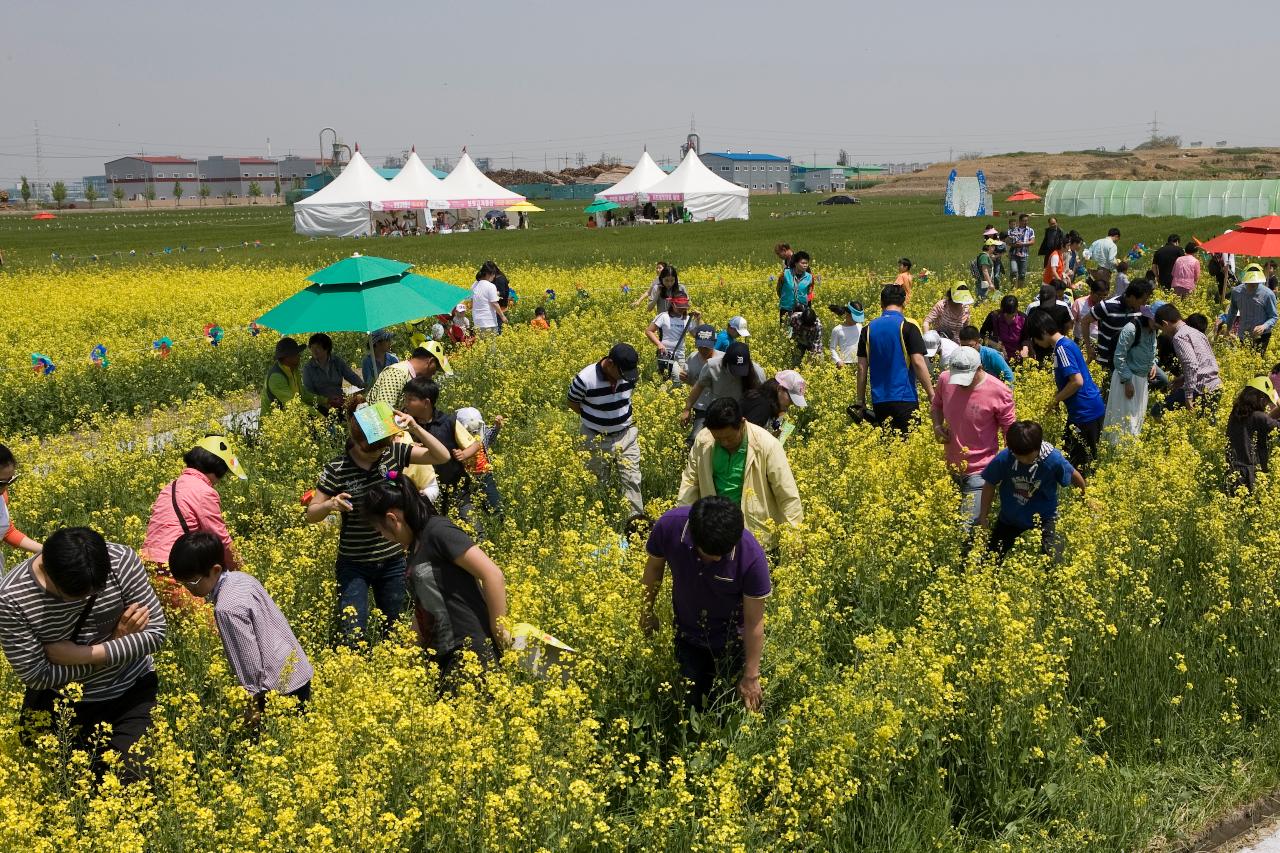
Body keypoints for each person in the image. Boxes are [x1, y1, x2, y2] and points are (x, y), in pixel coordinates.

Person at [0, 527, 166, 782]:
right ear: (48, 571)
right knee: (58, 784)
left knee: (132, 780)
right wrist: (118, 646)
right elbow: (38, 676)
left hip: (130, 690)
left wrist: (86, 654)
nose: (89, 598)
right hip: (62, 704)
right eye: (78, 596)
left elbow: (155, 633)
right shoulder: (12, 598)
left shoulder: (121, 560)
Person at [307, 398, 451, 640]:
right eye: (372, 449)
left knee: (394, 628)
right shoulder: (337, 468)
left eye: (381, 449)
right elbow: (311, 513)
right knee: (353, 631)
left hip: (393, 560)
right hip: (354, 563)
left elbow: (442, 456)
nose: (377, 455)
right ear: (357, 442)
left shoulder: (392, 453)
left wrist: (415, 427)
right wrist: (330, 504)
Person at [363, 474, 510, 677]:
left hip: (471, 651)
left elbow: (492, 574)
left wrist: (500, 630)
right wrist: (405, 654)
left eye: (381, 531)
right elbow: (424, 606)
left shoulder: (438, 531)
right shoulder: (414, 547)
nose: (384, 538)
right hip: (443, 657)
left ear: (392, 519)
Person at [640, 497, 770, 711]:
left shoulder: (752, 557)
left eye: (723, 554)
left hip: (731, 642)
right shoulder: (669, 526)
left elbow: (754, 620)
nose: (718, 560)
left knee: (727, 708)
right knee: (688, 703)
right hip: (686, 633)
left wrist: (751, 676)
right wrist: (646, 611)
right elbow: (654, 569)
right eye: (711, 556)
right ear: (693, 537)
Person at [168, 532, 312, 717]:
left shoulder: (226, 608)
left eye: (192, 582)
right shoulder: (242, 578)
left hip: (278, 689)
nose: (188, 588)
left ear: (216, 570)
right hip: (298, 670)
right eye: (183, 583)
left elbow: (248, 660)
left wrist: (252, 703)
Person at [679, 398, 803, 550]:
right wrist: (685, 523)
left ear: (742, 423)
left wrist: (794, 536)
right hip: (713, 530)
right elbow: (691, 482)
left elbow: (786, 493)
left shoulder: (767, 445)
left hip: (755, 533)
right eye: (718, 438)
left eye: (729, 438)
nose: (724, 443)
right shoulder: (704, 439)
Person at [141, 436, 246, 607]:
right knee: (213, 628)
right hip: (177, 571)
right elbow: (219, 539)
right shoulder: (204, 491)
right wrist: (243, 571)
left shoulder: (171, 486)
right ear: (218, 469)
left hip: (150, 568)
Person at [930, 346, 1016, 526]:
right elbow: (936, 405)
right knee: (950, 525)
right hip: (950, 467)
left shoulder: (999, 391)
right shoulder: (945, 379)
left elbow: (1010, 432)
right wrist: (937, 426)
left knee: (967, 529)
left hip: (981, 471)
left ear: (979, 368)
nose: (960, 383)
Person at [977, 421, 1085, 561]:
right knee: (991, 559)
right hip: (1011, 516)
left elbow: (1074, 476)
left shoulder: (1052, 459)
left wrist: (1085, 499)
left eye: (1028, 456)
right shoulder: (1006, 457)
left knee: (1053, 559)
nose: (1024, 460)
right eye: (1019, 456)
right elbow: (990, 483)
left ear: (1038, 447)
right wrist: (983, 516)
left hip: (1046, 516)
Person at [567, 344, 644, 517]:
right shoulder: (585, 379)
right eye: (621, 373)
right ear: (610, 364)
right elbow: (572, 402)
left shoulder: (628, 376)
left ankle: (636, 527)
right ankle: (599, 523)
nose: (625, 378)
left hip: (626, 436)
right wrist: (595, 419)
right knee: (597, 483)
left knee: (632, 481)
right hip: (595, 439)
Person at [1030, 311, 1106, 471]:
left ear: (1043, 332)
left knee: (1078, 463)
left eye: (1035, 337)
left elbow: (1077, 381)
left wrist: (1055, 400)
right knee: (1077, 457)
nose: (1035, 342)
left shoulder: (1062, 348)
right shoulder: (1067, 344)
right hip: (1088, 409)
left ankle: (1084, 493)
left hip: (1085, 412)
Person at [853, 284, 934, 434]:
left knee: (888, 448)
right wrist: (931, 395)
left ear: (881, 304)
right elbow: (917, 362)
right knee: (908, 449)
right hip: (905, 398)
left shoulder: (867, 329)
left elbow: (861, 368)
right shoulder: (908, 327)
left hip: (879, 400)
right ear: (904, 303)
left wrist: (860, 401)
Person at [399, 377, 474, 520]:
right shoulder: (401, 423)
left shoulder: (448, 422)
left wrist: (464, 454)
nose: (405, 403)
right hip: (423, 493)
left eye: (410, 400)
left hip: (456, 490)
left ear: (426, 402)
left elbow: (473, 444)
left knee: (473, 530)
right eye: (405, 399)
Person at [1102, 307, 1158, 443]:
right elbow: (1119, 356)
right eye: (1157, 321)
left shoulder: (1153, 330)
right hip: (1126, 379)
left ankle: (1130, 452)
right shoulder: (1131, 329)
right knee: (1122, 417)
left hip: (1141, 380)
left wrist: (1153, 363)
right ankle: (1115, 452)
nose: (1159, 326)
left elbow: (1152, 349)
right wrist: (1127, 381)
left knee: (1136, 417)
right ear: (1149, 318)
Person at [1155, 303, 1223, 411]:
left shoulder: (1179, 337)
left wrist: (1188, 395)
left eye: (1161, 329)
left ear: (1165, 323)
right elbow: (1205, 363)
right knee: (1203, 425)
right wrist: (1183, 379)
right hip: (1216, 386)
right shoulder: (1197, 333)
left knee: (1158, 410)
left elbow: (1191, 364)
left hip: (1200, 389)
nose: (1163, 332)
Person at [684, 341, 765, 425]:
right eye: (734, 369)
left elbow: (762, 399)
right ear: (726, 361)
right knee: (696, 437)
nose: (737, 374)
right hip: (717, 413)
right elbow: (699, 386)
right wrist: (687, 409)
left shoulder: (757, 372)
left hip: (744, 416)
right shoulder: (712, 366)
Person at [1225, 376, 1280, 492]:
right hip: (1251, 474)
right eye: (1266, 400)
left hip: (1232, 471)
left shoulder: (1235, 414)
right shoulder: (1258, 417)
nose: (1266, 405)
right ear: (1260, 398)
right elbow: (1275, 426)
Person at [366, 342, 453, 410]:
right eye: (437, 368)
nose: (435, 373)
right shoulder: (397, 373)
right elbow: (382, 412)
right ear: (430, 362)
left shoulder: (411, 377)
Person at [1091, 278, 1154, 371]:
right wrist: (1089, 349)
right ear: (1132, 297)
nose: (1144, 304)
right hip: (1107, 359)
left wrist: (1152, 363)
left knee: (1162, 379)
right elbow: (1085, 321)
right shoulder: (1107, 306)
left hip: (1130, 360)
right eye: (1143, 300)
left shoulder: (1142, 310)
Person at [454, 406, 504, 517]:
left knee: (495, 506)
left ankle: (499, 525)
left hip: (485, 475)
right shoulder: (456, 438)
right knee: (472, 509)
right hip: (466, 478)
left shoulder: (482, 432)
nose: (473, 433)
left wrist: (497, 427)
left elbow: (489, 437)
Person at [0, 444, 41, 573]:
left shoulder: (2, 496)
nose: (5, 488)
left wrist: (46, 550)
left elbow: (7, 531)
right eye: (1, 482)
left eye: (11, 480)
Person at [1223, 265, 1278, 354]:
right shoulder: (1236, 292)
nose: (1253, 284)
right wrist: (1227, 329)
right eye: (1250, 282)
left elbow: (1274, 317)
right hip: (1243, 334)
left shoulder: (1268, 294)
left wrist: (1264, 326)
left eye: (1255, 282)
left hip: (1262, 336)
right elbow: (1232, 312)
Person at [302, 333, 364, 412]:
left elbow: (350, 375)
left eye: (317, 348)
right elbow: (309, 392)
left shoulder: (336, 361)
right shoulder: (308, 368)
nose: (314, 351)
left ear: (326, 348)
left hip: (340, 403)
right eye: (312, 348)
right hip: (321, 407)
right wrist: (325, 402)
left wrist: (362, 384)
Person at [682, 326, 723, 439]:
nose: (703, 350)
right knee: (696, 437)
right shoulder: (692, 358)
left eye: (707, 347)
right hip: (700, 407)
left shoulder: (723, 359)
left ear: (714, 342)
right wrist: (684, 378)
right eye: (700, 346)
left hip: (720, 408)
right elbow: (693, 383)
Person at [261, 337, 321, 413]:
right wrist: (319, 416)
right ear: (287, 357)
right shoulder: (276, 377)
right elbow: (292, 404)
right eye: (297, 354)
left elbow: (303, 395)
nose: (299, 357)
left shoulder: (294, 370)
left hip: (291, 419)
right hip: (273, 423)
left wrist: (326, 401)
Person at [646, 294, 697, 380]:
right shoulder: (663, 316)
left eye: (684, 307)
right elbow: (649, 331)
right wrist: (659, 344)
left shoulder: (688, 319)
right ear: (672, 304)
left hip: (680, 354)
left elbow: (696, 335)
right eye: (679, 307)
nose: (682, 309)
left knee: (679, 380)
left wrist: (699, 319)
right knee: (677, 378)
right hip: (666, 354)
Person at [742, 371, 806, 436]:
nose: (792, 403)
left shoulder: (765, 403)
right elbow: (745, 439)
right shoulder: (761, 407)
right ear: (779, 388)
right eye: (791, 398)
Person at [981, 294, 1026, 361]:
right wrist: (997, 346)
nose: (1009, 318)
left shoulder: (1023, 318)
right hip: (997, 357)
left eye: (1012, 315)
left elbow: (1026, 338)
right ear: (1001, 309)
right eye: (1006, 315)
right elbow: (982, 335)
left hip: (1017, 359)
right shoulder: (994, 316)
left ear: (1016, 310)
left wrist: (1024, 350)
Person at [1073, 276, 1109, 351]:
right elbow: (1071, 322)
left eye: (1105, 295)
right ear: (1091, 292)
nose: (1102, 298)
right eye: (1099, 295)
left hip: (1099, 341)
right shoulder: (1079, 303)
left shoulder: (1108, 305)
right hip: (1081, 341)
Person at [776, 251, 813, 320]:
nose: (805, 265)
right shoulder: (785, 274)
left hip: (802, 309)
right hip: (786, 308)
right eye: (802, 263)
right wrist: (785, 299)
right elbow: (779, 289)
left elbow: (809, 292)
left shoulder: (809, 277)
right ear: (796, 263)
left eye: (806, 263)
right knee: (785, 329)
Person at [471, 267, 505, 338]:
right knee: (491, 347)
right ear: (488, 274)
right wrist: (502, 316)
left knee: (481, 346)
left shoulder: (474, 285)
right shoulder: (491, 286)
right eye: (493, 275)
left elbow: (472, 302)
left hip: (477, 321)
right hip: (489, 321)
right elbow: (494, 303)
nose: (494, 277)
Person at [828, 302, 865, 368]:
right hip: (844, 364)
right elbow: (832, 348)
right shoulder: (837, 330)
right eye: (855, 318)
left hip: (859, 362)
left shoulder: (860, 327)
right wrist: (838, 360)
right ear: (848, 314)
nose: (857, 321)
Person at [482, 261, 510, 335]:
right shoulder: (492, 279)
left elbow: (502, 292)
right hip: (494, 309)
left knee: (497, 330)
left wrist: (494, 294)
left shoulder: (500, 279)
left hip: (500, 308)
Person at [1009, 213, 1035, 284]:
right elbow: (1008, 241)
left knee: (1022, 274)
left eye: (1027, 221)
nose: (1026, 222)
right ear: (1020, 221)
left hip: (1024, 254)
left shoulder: (1030, 230)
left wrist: (1022, 244)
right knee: (1014, 271)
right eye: (1024, 221)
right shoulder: (1014, 229)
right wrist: (1014, 244)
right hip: (1014, 254)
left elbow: (1032, 242)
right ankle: (1012, 288)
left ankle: (1019, 290)